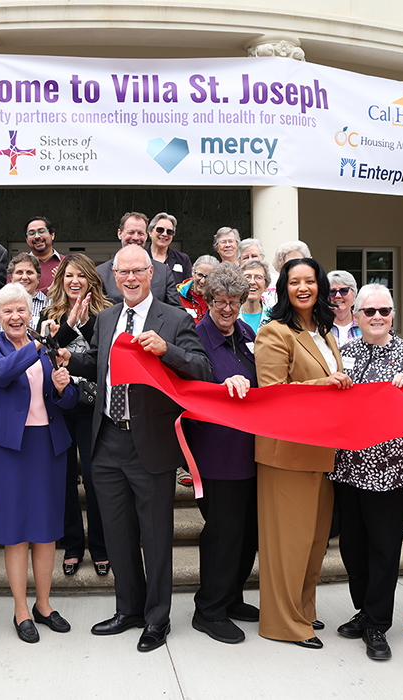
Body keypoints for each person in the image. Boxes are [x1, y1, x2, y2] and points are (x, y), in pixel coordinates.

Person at [67, 244, 212, 653]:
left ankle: (156, 618)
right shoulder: (108, 317)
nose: (129, 278)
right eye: (122, 272)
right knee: (117, 534)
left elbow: (203, 369)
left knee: (155, 534)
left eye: (137, 271)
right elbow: (99, 362)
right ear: (114, 276)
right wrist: (66, 356)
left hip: (151, 441)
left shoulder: (175, 318)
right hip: (107, 437)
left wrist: (169, 351)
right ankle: (128, 609)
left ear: (151, 273)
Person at [253, 257, 351, 651]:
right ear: (284, 288)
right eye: (295, 282)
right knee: (287, 544)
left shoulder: (323, 332)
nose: (303, 288)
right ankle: (281, 623)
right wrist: (324, 384)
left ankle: (303, 612)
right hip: (287, 454)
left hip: (321, 451)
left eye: (310, 281)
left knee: (312, 544)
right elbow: (273, 394)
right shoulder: (274, 332)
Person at [0, 283, 78, 643]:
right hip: (7, 447)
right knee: (15, 531)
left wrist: (64, 388)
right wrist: (35, 347)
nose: (16, 316)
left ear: (29, 313)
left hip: (47, 444)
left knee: (46, 529)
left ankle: (44, 605)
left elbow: (67, 400)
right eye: (8, 311)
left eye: (21, 310)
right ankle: (21, 609)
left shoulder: (47, 348)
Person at [332, 283, 403, 661]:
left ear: (393, 315)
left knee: (384, 550)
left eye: (384, 311)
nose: (377, 317)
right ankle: (364, 609)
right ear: (355, 315)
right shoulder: (345, 354)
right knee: (352, 547)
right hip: (349, 469)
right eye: (369, 311)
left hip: (392, 473)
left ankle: (377, 624)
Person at [184, 263, 259, 644]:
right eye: (219, 302)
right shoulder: (196, 338)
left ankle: (231, 597)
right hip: (216, 455)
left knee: (247, 534)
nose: (227, 309)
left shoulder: (246, 333)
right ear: (207, 300)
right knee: (223, 534)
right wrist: (220, 382)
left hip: (249, 451)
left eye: (233, 302)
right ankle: (208, 610)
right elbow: (190, 385)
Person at [39, 253, 111, 578]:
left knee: (96, 481)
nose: (74, 281)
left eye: (81, 275)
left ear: (91, 279)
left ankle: (100, 546)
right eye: (68, 276)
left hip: (95, 409)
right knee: (65, 479)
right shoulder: (49, 314)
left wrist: (83, 324)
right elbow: (45, 354)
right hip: (61, 406)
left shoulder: (106, 315)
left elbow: (105, 361)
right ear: (60, 280)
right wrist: (67, 326)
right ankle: (72, 545)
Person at [98, 212, 179, 306]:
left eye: (140, 233)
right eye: (131, 232)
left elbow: (176, 310)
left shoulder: (163, 271)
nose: (136, 238)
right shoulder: (101, 273)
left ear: (146, 236)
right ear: (120, 234)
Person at [0, 253, 48, 335]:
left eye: (29, 273)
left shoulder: (49, 305)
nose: (25, 277)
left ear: (38, 277)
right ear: (11, 277)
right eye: (19, 272)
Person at [263, 240, 312, 309]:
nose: (296, 266)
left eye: (300, 262)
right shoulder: (270, 292)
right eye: (290, 263)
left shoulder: (312, 287)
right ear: (281, 267)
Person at [146, 212, 191, 284]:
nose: (164, 234)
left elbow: (188, 288)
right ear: (150, 232)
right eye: (160, 230)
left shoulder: (183, 259)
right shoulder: (140, 257)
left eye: (169, 232)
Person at [24, 216, 63, 292]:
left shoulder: (67, 263)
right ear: (27, 239)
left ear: (52, 235)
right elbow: (13, 295)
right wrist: (49, 289)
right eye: (31, 233)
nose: (37, 236)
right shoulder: (19, 267)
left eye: (41, 232)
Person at [176, 255, 217, 324]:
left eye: (208, 277)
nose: (202, 281)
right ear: (193, 272)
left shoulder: (218, 298)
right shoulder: (177, 294)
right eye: (199, 275)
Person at [327, 270, 361, 347]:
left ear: (354, 295)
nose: (338, 295)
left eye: (344, 290)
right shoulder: (318, 325)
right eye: (332, 291)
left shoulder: (364, 324)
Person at [240, 259, 271, 332]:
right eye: (247, 277)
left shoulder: (274, 316)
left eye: (258, 277)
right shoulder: (231, 315)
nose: (252, 282)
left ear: (266, 285)